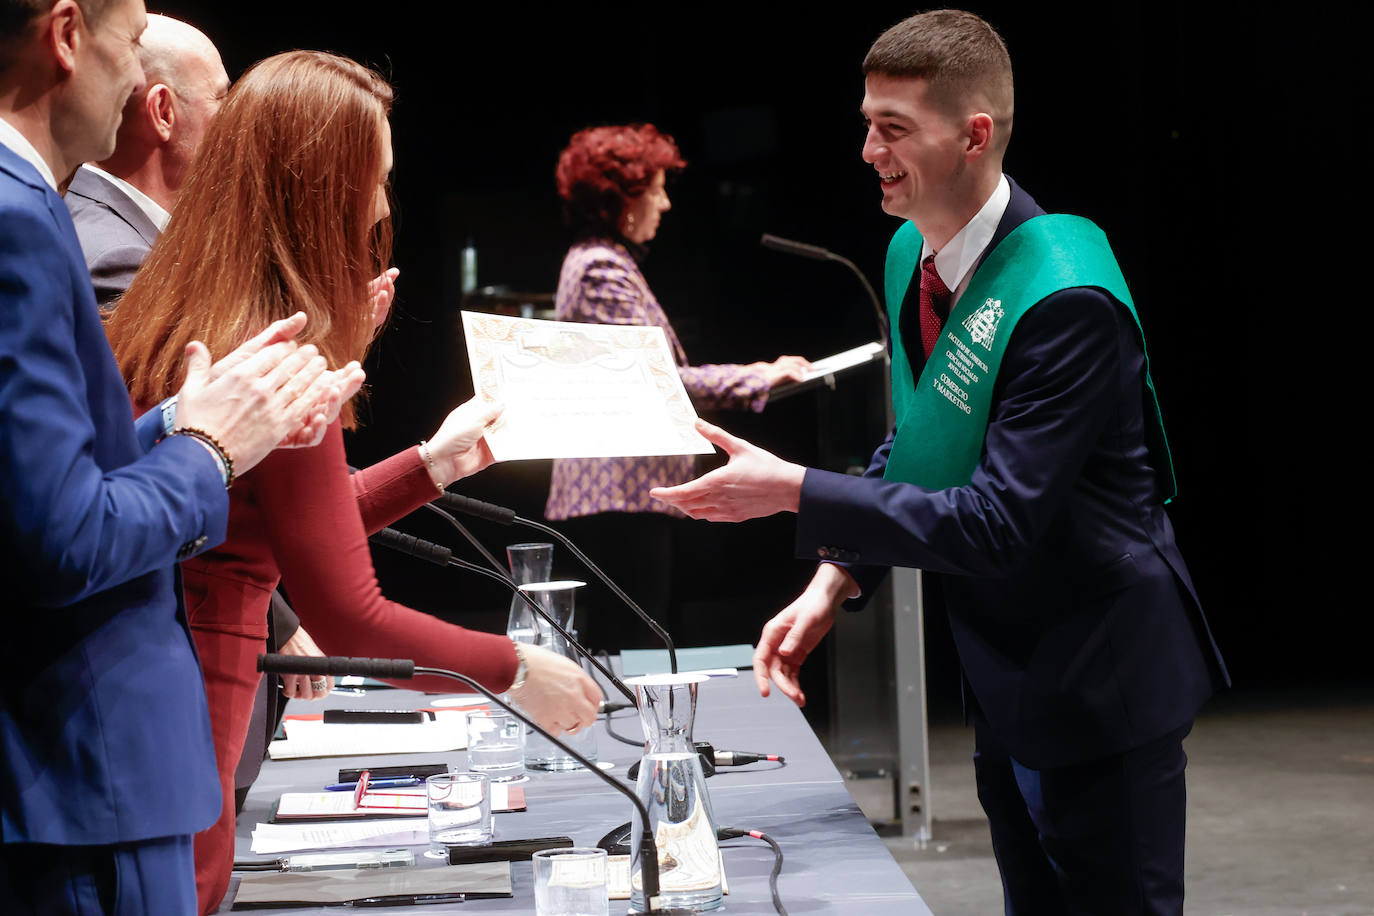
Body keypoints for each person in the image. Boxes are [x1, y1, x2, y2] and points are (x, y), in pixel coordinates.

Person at [652, 11, 1229, 914]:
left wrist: (795, 491)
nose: (868, 150)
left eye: (894, 128)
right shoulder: (907, 249)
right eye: (866, 122)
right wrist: (833, 581)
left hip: (1098, 679)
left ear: (973, 135)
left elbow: (997, 522)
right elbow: (922, 441)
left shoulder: (1063, 294)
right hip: (1007, 675)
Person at [103, 49, 602, 914]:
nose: (378, 207)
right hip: (190, 722)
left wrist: (428, 467)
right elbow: (347, 613)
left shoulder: (185, 302)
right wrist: (517, 670)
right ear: (319, 187)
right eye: (373, 180)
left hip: (144, 706)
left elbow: (266, 528)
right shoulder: (273, 342)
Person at [0, 1, 350, 911]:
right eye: (125, 44)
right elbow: (61, 540)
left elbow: (51, 481)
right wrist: (207, 448)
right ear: (68, 37)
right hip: (84, 779)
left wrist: (190, 425)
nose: (128, 83)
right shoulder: (18, 216)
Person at [60, 12, 333, 808]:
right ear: (164, 111)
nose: (243, 128)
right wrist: (277, 612)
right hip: (160, 658)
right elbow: (133, 466)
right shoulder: (109, 251)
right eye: (226, 101)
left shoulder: (151, 247)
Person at [543, 123, 810, 648]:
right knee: (628, 653)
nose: (665, 204)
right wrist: (756, 374)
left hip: (625, 497)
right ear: (622, 197)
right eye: (658, 189)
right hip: (614, 496)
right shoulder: (599, 266)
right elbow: (655, 381)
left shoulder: (607, 261)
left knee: (633, 650)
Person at [64, 12, 226, 310]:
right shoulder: (121, 260)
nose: (234, 116)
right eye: (220, 97)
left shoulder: (88, 215)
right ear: (163, 112)